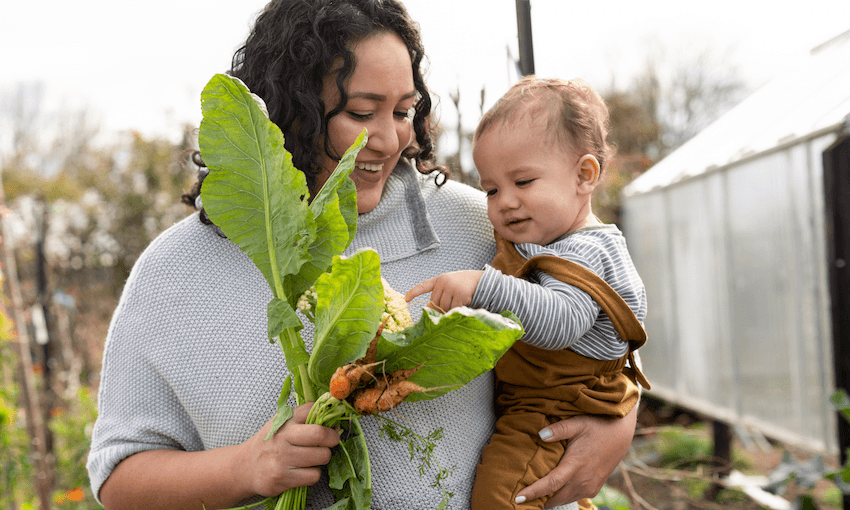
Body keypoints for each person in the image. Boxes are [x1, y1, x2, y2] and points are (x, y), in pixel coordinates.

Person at [86, 1, 637, 509]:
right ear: (292, 108)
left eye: (402, 110)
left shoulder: (485, 224)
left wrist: (619, 423)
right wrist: (249, 466)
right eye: (361, 111)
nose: (390, 138)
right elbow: (118, 480)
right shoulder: (172, 274)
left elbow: (601, 331)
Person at [405, 76, 649, 509]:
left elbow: (560, 322)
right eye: (492, 190)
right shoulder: (554, 243)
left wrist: (484, 285)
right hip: (546, 404)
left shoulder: (585, 251)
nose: (505, 203)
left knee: (502, 494)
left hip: (553, 410)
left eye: (523, 182)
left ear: (584, 175)